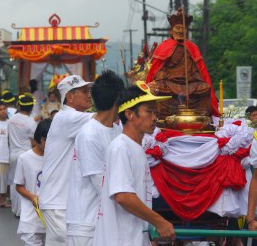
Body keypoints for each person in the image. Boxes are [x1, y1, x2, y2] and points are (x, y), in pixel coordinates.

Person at [93, 82, 175, 246]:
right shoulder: (121, 148)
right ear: (129, 114)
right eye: (149, 112)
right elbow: (123, 195)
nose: (154, 118)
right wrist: (159, 221)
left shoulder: (136, 148)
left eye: (156, 112)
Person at [66, 71, 124, 246]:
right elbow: (102, 184)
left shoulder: (117, 129)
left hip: (106, 219)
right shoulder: (89, 134)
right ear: (118, 100)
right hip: (86, 224)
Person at [38, 75, 94, 245]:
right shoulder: (67, 117)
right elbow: (106, 119)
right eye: (84, 91)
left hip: (67, 200)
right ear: (70, 96)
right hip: (57, 202)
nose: (89, 95)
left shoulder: (76, 117)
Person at [146, 8, 219, 119]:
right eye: (178, 28)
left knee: (205, 87)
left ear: (186, 31)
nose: (180, 31)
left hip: (189, 84)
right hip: (170, 83)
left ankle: (201, 117)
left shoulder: (192, 48)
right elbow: (157, 70)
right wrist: (163, 77)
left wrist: (194, 78)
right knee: (159, 88)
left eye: (183, 28)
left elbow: (198, 71)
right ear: (171, 30)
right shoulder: (164, 47)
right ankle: (163, 117)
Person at [15, 118, 52, 246]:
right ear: (38, 138)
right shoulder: (24, 158)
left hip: (51, 215)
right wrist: (32, 197)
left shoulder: (55, 158)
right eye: (47, 140)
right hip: (31, 216)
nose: (51, 144)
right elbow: (19, 186)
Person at [8, 94, 37, 216]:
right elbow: (34, 142)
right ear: (31, 108)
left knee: (14, 183)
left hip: (13, 154)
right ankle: (21, 212)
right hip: (25, 155)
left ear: (19, 106)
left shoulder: (11, 119)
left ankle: (15, 210)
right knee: (24, 184)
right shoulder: (31, 122)